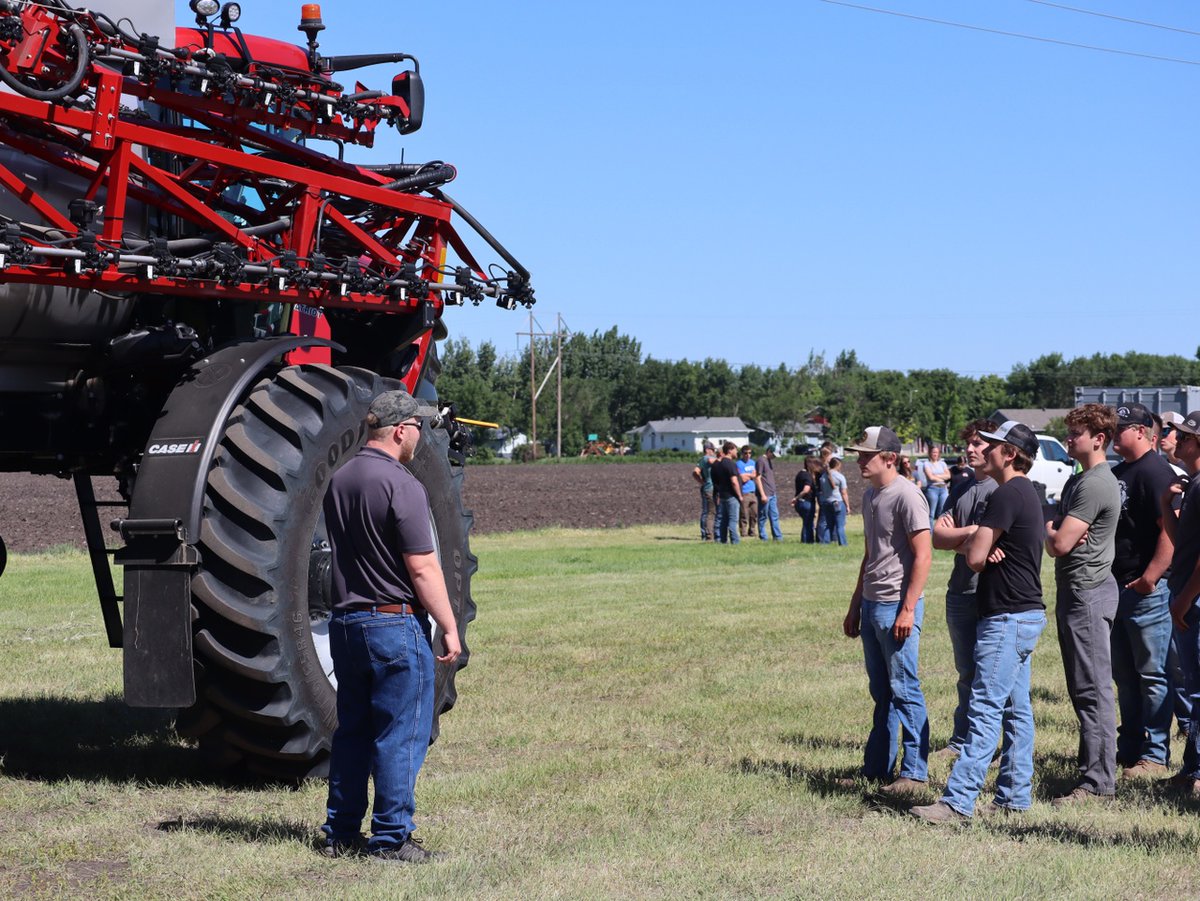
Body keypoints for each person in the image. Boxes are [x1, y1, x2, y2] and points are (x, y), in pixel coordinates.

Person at [320, 389, 462, 863]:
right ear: (400, 430)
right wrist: (448, 624)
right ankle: (391, 838)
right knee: (400, 734)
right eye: (418, 427)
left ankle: (339, 833)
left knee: (353, 732)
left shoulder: (340, 479)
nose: (420, 436)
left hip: (345, 624)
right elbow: (422, 568)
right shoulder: (402, 484)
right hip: (393, 625)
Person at [911, 421, 1047, 824]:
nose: (984, 451)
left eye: (993, 447)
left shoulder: (1007, 493)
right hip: (1025, 613)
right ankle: (1013, 797)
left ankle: (957, 802)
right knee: (1017, 708)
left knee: (985, 707)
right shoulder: (1027, 492)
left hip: (1005, 616)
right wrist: (983, 543)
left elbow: (972, 558)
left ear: (1010, 454)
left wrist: (975, 545)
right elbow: (975, 547)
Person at [841, 426, 932, 795]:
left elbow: (924, 555)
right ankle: (877, 768)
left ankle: (914, 773)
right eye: (859, 454)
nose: (860, 460)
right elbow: (870, 555)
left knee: (905, 689)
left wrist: (908, 609)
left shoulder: (907, 496)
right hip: (872, 603)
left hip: (897, 605)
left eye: (866, 454)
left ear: (889, 458)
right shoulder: (870, 496)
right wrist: (854, 605)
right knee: (882, 691)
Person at [1044, 404, 1122, 805]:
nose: (1070, 438)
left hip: (1089, 592)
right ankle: (1091, 770)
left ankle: (1098, 783)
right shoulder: (1080, 480)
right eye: (1070, 431)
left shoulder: (1093, 484)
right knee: (1082, 689)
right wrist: (1062, 531)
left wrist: (1050, 529)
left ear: (1099, 439)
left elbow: (1058, 543)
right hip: (1077, 591)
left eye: (1076, 432)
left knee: (1093, 691)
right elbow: (1066, 537)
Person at [1107, 402, 1177, 779]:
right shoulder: (1120, 471)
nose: (1115, 434)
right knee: (1125, 675)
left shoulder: (1155, 471)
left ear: (1141, 431)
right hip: (1118, 586)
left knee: (1152, 674)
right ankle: (1130, 746)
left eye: (1122, 428)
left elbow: (1169, 528)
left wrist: (1151, 575)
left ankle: (1154, 754)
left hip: (1146, 589)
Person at [930, 419, 998, 759]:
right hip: (959, 590)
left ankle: (996, 744)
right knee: (966, 672)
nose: (969, 450)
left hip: (992, 593)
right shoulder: (960, 487)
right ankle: (962, 739)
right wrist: (973, 532)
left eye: (977, 444)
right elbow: (937, 537)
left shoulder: (1003, 489)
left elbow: (995, 544)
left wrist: (966, 537)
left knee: (993, 674)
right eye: (968, 444)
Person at [1160, 411, 1200, 796]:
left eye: (1185, 435)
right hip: (1186, 594)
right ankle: (1191, 770)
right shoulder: (1193, 486)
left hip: (1194, 598)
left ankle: (1197, 775)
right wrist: (1165, 504)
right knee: (1192, 686)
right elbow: (1181, 541)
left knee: (1198, 690)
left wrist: (1185, 598)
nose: (1177, 438)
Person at [712, 441, 742, 544]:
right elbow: (734, 482)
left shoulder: (719, 464)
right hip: (731, 496)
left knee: (723, 521)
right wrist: (739, 495)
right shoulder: (730, 464)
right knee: (733, 520)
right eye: (735, 449)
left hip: (723, 495)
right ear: (730, 451)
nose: (736, 452)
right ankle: (735, 541)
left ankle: (723, 541)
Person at [919, 446, 952, 531]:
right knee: (931, 513)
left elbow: (949, 475)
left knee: (942, 512)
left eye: (936, 452)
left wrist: (936, 476)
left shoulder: (942, 463)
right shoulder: (926, 464)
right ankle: (930, 533)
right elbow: (930, 477)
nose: (935, 454)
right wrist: (942, 477)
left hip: (943, 489)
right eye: (933, 452)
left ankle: (940, 531)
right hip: (932, 489)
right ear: (930, 453)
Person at [819, 457, 850, 546]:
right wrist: (847, 505)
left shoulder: (823, 476)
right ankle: (843, 544)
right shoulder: (840, 477)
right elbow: (844, 493)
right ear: (838, 465)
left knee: (829, 524)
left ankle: (825, 543)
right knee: (840, 525)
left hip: (826, 502)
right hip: (837, 502)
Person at [756, 448, 784, 541]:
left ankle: (778, 537)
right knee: (763, 517)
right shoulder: (761, 461)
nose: (774, 457)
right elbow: (758, 478)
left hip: (772, 493)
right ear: (769, 452)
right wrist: (762, 494)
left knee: (774, 516)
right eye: (773, 455)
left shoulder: (768, 460)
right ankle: (763, 538)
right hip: (765, 493)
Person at [693, 441, 717, 541]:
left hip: (707, 487)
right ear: (707, 450)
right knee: (708, 512)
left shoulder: (702, 459)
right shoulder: (706, 458)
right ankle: (706, 533)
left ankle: (706, 532)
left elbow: (695, 473)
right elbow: (695, 472)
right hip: (709, 488)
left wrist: (702, 482)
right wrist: (703, 482)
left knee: (706, 511)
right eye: (712, 450)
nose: (713, 452)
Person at [793, 455, 820, 543]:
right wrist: (796, 498)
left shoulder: (800, 473)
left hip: (801, 503)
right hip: (806, 502)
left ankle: (806, 540)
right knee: (808, 523)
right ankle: (807, 541)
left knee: (807, 522)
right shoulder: (807, 475)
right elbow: (806, 489)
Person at [737, 445, 760, 538]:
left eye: (750, 453)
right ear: (742, 454)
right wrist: (750, 475)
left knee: (754, 513)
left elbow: (755, 474)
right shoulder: (739, 463)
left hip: (753, 491)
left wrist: (748, 475)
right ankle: (743, 532)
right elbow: (741, 478)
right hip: (744, 492)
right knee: (743, 514)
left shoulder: (753, 463)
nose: (748, 455)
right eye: (746, 453)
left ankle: (752, 530)